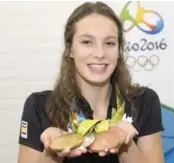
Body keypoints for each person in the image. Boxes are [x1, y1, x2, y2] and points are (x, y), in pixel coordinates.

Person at [17, 1, 165, 163]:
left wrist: (125, 143)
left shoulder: (143, 102)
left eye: (109, 43)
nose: (100, 53)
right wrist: (52, 151)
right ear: (70, 49)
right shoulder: (39, 106)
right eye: (87, 42)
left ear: (119, 51)